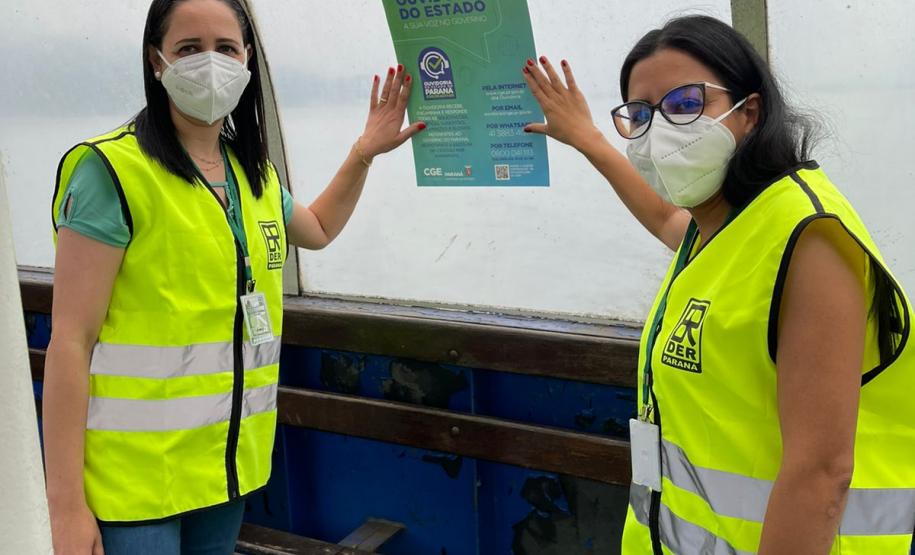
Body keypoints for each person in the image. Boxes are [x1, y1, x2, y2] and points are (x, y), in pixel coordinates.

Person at [522, 15, 915, 555]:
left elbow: (821, 474)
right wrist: (589, 139)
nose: (660, 129)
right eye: (640, 114)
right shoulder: (722, 225)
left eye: (685, 103)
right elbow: (666, 219)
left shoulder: (809, 239)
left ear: (749, 112)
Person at [42, 0, 425, 553]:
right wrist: (65, 508)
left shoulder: (254, 173)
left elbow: (315, 227)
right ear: (157, 62)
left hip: (226, 469)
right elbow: (69, 343)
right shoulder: (110, 171)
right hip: (134, 483)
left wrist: (363, 153)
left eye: (225, 48)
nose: (211, 64)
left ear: (247, 61)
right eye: (188, 49)